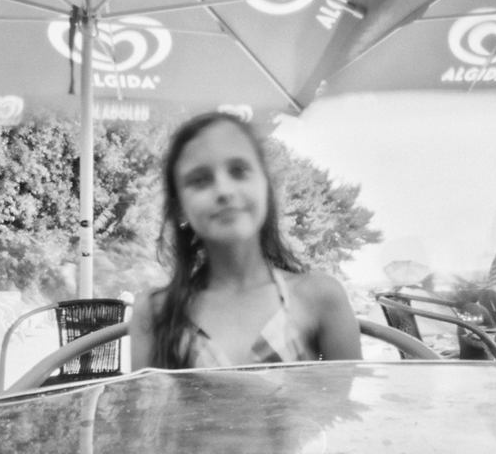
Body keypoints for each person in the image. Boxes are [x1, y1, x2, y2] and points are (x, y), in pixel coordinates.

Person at [130, 111, 362, 369]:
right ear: (180, 209)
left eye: (239, 171)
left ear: (266, 187)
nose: (224, 190)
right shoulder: (154, 312)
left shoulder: (321, 296)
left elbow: (349, 395)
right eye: (200, 180)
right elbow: (144, 398)